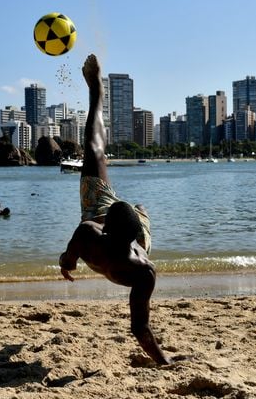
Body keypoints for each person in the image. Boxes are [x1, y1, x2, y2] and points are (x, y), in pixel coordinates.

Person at [58, 54, 172, 365]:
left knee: (94, 150)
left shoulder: (89, 232)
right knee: (139, 206)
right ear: (136, 235)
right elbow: (140, 328)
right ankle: (139, 212)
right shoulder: (144, 272)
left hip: (101, 212)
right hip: (126, 230)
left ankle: (97, 91)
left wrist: (66, 265)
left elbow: (67, 260)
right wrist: (164, 362)